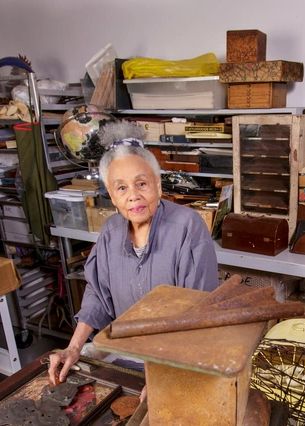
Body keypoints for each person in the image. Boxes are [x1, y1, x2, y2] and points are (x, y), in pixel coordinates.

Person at [47, 120, 218, 384]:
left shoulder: (187, 226)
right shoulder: (110, 231)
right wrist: (74, 347)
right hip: (127, 352)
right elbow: (97, 295)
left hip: (179, 359)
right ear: (112, 197)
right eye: (122, 188)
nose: (133, 196)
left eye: (142, 183)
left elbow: (197, 313)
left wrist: (166, 377)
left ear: (158, 185)